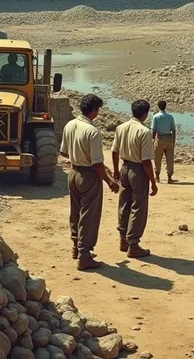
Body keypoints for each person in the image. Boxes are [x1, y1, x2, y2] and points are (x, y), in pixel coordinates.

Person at [60, 94, 119, 270]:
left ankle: (75, 247)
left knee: (76, 211)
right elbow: (97, 164)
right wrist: (109, 181)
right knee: (89, 216)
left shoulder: (70, 125)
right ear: (94, 110)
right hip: (88, 176)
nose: (98, 113)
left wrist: (77, 155)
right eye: (98, 110)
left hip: (73, 172)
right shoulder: (92, 132)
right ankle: (85, 255)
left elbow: (63, 153)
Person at [112, 99, 158, 258]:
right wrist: (153, 181)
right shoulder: (144, 131)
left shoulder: (121, 127)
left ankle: (123, 238)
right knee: (138, 207)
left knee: (124, 204)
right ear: (145, 114)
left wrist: (116, 170)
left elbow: (114, 151)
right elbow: (146, 161)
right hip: (138, 170)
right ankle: (134, 244)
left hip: (124, 167)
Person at [151, 100, 176, 184]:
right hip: (169, 138)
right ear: (165, 106)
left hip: (160, 138)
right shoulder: (170, 117)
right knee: (170, 158)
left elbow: (153, 130)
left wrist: (153, 140)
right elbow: (173, 130)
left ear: (158, 107)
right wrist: (173, 141)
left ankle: (157, 177)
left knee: (157, 158)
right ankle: (169, 177)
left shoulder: (156, 117)